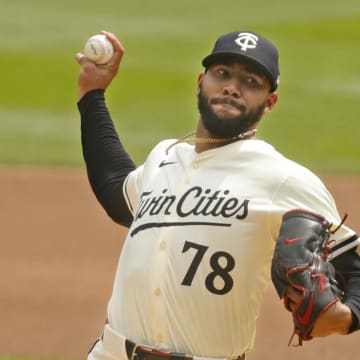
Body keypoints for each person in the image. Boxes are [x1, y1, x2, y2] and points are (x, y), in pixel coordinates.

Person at [75, 30, 360, 360]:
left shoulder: (284, 179)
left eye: (251, 81)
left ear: (270, 102)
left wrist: (348, 317)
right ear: (200, 82)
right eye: (222, 74)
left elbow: (354, 268)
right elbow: (116, 193)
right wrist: (92, 95)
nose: (232, 87)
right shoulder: (165, 156)